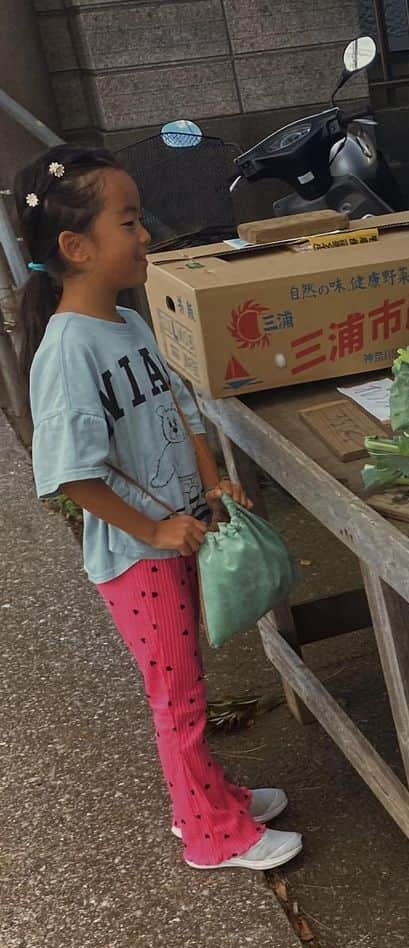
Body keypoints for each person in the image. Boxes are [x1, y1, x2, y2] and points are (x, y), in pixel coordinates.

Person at [14, 144, 302, 871]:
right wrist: (152, 527)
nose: (145, 237)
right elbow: (69, 475)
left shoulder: (127, 323)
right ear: (76, 247)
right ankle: (211, 836)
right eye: (130, 222)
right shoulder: (67, 351)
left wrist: (210, 484)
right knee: (177, 701)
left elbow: (180, 412)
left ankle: (206, 801)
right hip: (137, 559)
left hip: (175, 538)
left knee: (189, 686)